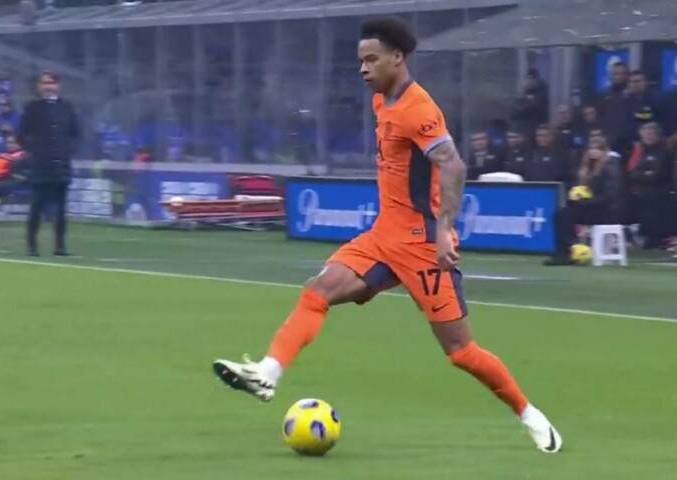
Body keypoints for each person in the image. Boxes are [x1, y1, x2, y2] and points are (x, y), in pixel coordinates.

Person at [212, 17, 563, 454]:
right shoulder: (382, 101)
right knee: (318, 291)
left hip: (420, 246)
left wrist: (444, 230)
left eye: (372, 59)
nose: (364, 68)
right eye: (361, 60)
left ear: (398, 57)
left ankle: (529, 414)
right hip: (383, 237)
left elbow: (453, 164)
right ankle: (267, 373)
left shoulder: (419, 109)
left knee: (461, 351)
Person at [17, 71, 80, 256]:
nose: (48, 87)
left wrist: (67, 150)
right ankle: (32, 245)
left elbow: (76, 133)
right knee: (36, 206)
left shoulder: (67, 107)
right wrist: (35, 150)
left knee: (61, 208)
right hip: (40, 165)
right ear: (39, 86)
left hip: (61, 165)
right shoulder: (32, 108)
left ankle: (60, 246)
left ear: (57, 86)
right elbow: (21, 135)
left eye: (51, 83)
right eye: (44, 83)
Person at [544, 135, 623, 266]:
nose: (594, 152)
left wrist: (585, 202)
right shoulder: (585, 167)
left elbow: (609, 196)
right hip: (589, 206)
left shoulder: (610, 167)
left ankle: (568, 251)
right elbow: (576, 186)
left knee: (566, 215)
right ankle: (565, 251)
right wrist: (574, 197)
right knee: (561, 214)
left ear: (604, 151)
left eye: (598, 149)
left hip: (606, 210)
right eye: (591, 148)